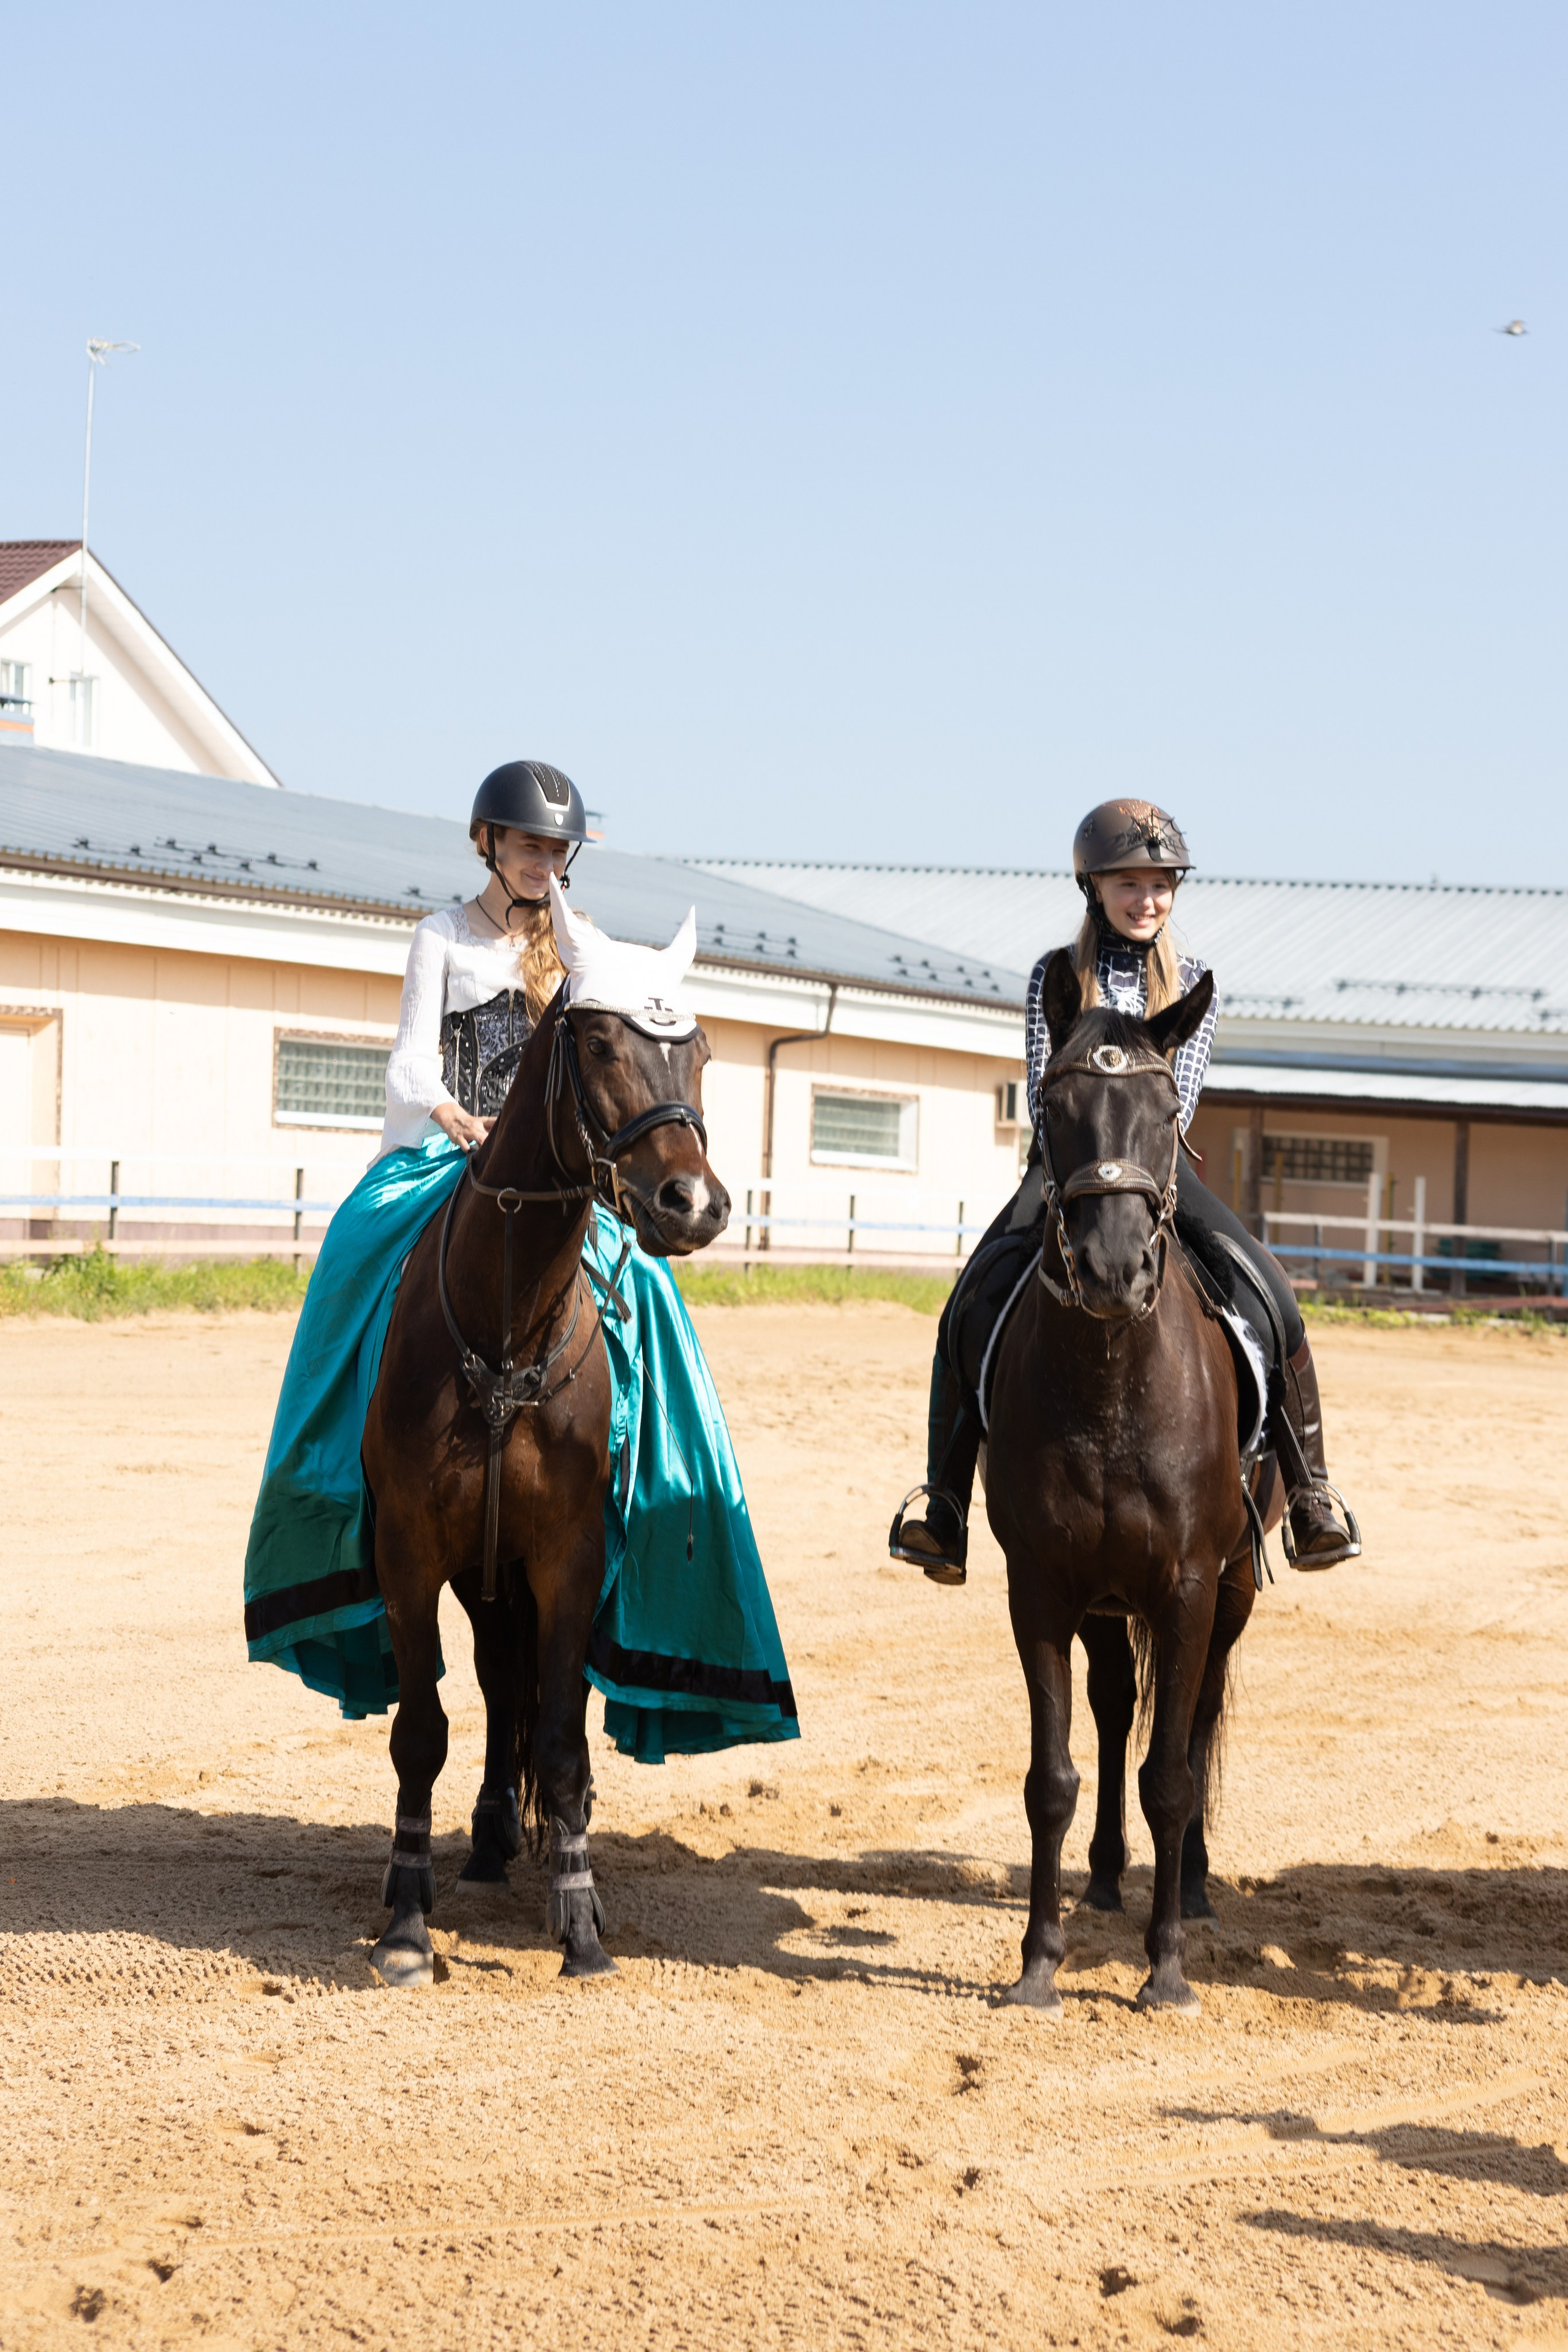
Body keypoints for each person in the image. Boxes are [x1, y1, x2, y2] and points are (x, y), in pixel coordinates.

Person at [244, 760, 797, 1757]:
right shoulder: (442, 937)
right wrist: (453, 1115)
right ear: (488, 843)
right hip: (448, 1152)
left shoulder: (582, 949)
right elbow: (408, 1063)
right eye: (528, 844)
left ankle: (651, 1490)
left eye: (556, 848)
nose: (544, 861)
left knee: (650, 1295)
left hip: (556, 1172)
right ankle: (319, 1463)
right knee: (353, 1253)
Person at [889, 797, 1361, 1586]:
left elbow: (1183, 1094)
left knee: (1274, 1296)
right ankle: (944, 1504)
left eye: (1161, 885)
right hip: (1066, 1169)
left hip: (1156, 1168)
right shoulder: (1055, 976)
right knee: (969, 1301)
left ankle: (1312, 1492)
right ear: (1094, 888)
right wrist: (1084, 1164)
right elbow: (1042, 1089)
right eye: (1129, 884)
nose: (1148, 900)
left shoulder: (1194, 982)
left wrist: (1137, 1166)